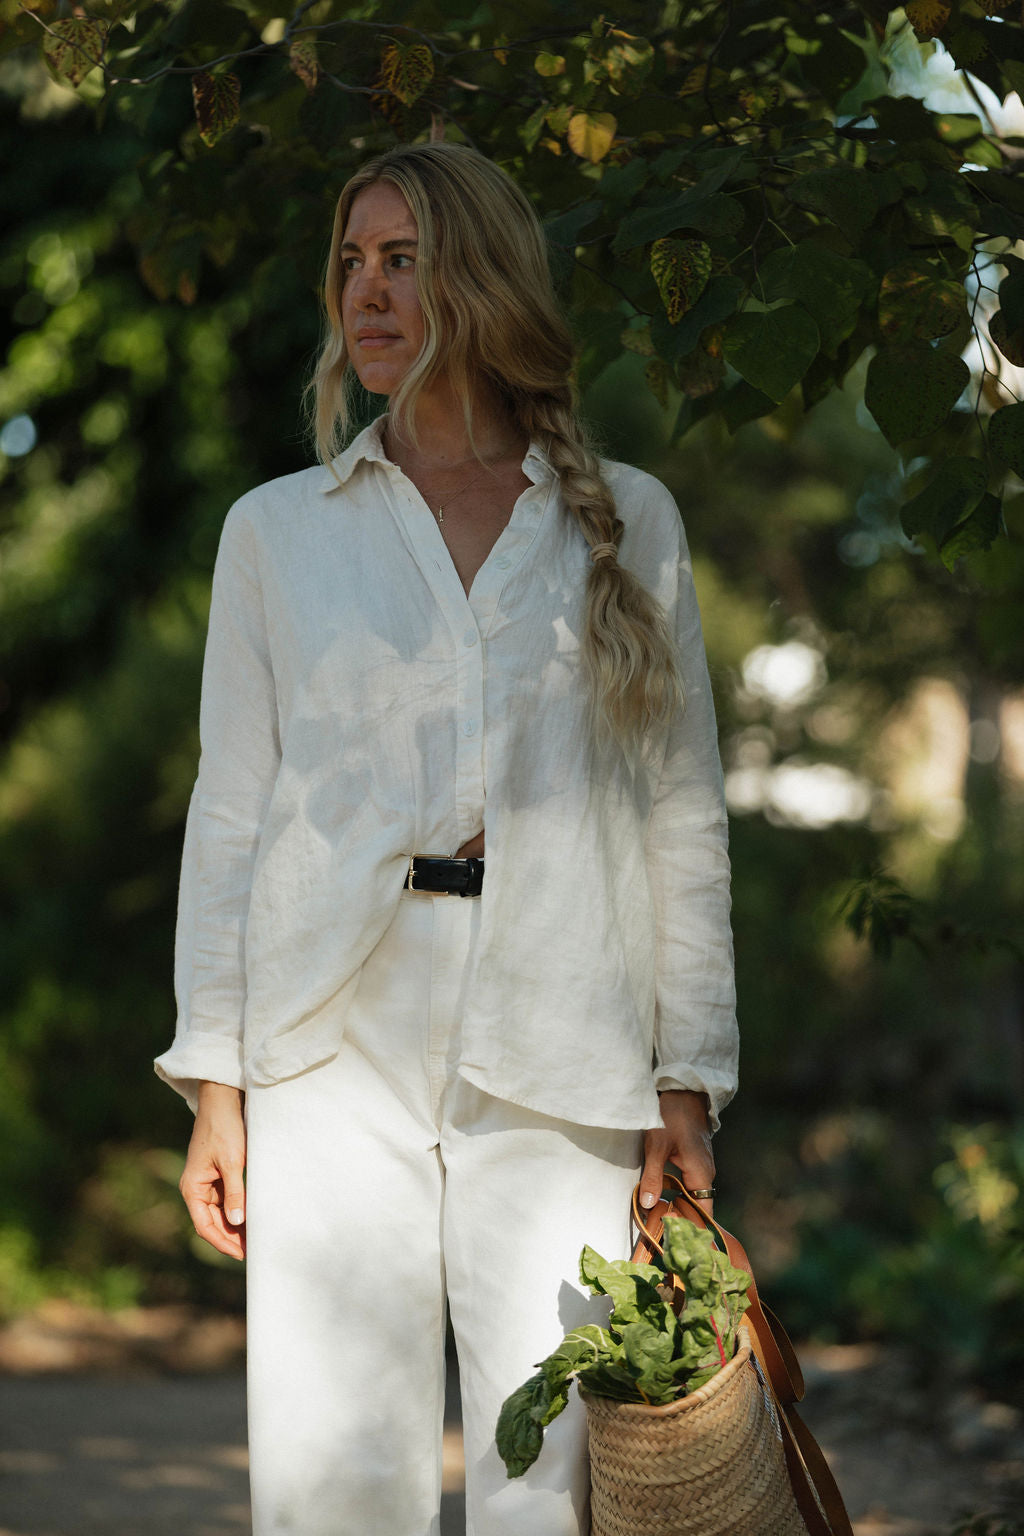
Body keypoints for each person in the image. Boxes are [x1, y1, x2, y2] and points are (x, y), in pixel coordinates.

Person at [154, 141, 738, 1536]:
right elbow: (231, 812)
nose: (365, 291)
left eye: (403, 260)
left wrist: (688, 1077)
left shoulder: (627, 523)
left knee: (550, 1471)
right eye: (351, 262)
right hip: (327, 1033)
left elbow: (682, 817)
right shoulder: (277, 533)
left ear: (480, 280)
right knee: (332, 1474)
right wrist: (215, 1079)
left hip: (562, 1027)